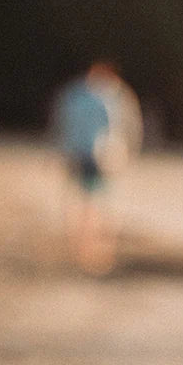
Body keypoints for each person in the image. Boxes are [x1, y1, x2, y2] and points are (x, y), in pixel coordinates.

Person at [49, 59, 144, 274]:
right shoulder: (112, 95)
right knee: (96, 203)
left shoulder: (74, 93)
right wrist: (126, 153)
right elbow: (124, 127)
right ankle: (91, 249)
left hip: (81, 153)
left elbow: (60, 123)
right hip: (99, 155)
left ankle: (82, 247)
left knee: (85, 200)